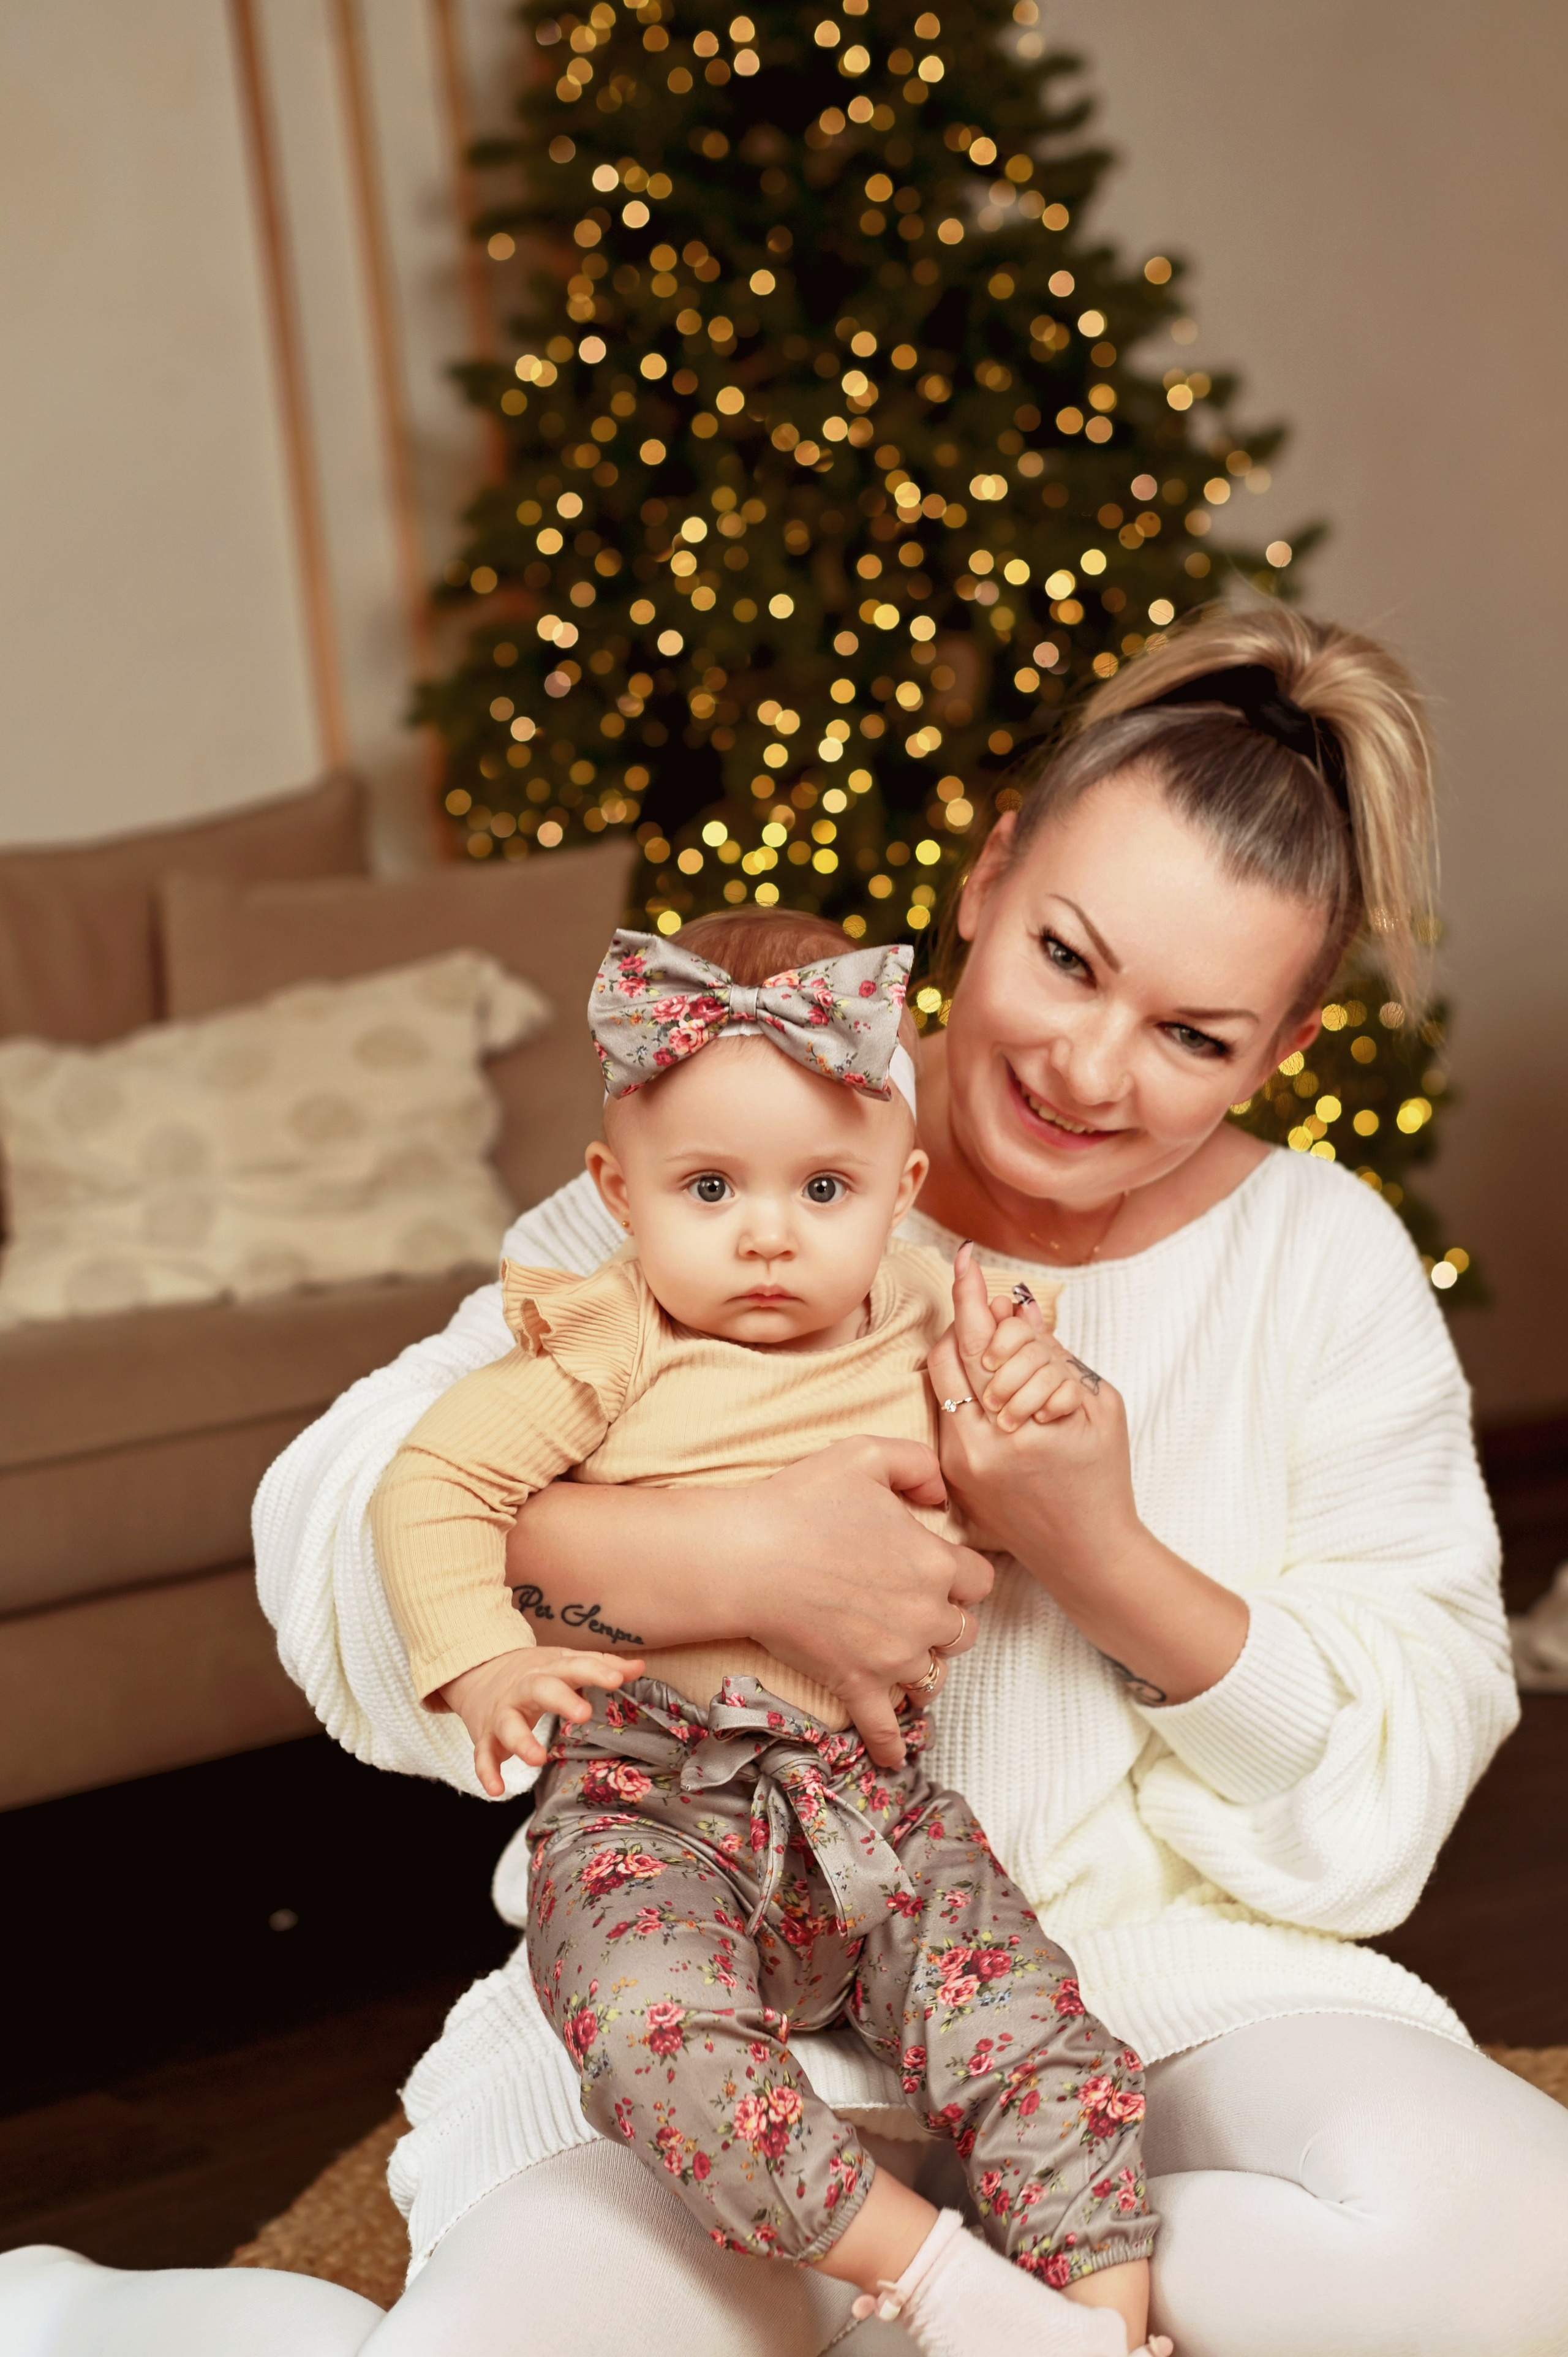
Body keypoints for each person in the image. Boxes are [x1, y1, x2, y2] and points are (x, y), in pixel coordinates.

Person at [9, 605, 1566, 2357]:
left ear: (1280, 1050)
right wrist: (730, 1561)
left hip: (1158, 1991)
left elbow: (1396, 1774)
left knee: (1522, 2255)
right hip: (724, 1987)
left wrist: (1096, 1547)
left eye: (1193, 1036)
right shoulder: (741, 1159)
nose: (1086, 1066)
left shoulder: (1318, 1257)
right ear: (987, 878)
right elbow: (336, 1531)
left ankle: (944, 2307)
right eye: (1065, 958)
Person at [368, 913, 1162, 2357]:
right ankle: (934, 2278)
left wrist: (1040, 1399)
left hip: (873, 1805)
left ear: (900, 1192)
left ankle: (1105, 2320)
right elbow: (434, 1484)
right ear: (617, 1191)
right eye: (709, 1186)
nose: (767, 1233)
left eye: (823, 1187)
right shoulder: (610, 1340)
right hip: (650, 1806)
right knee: (650, 2040)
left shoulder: (934, 1315)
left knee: (1033, 2032)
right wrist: (484, 1659)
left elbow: (1026, 1466)